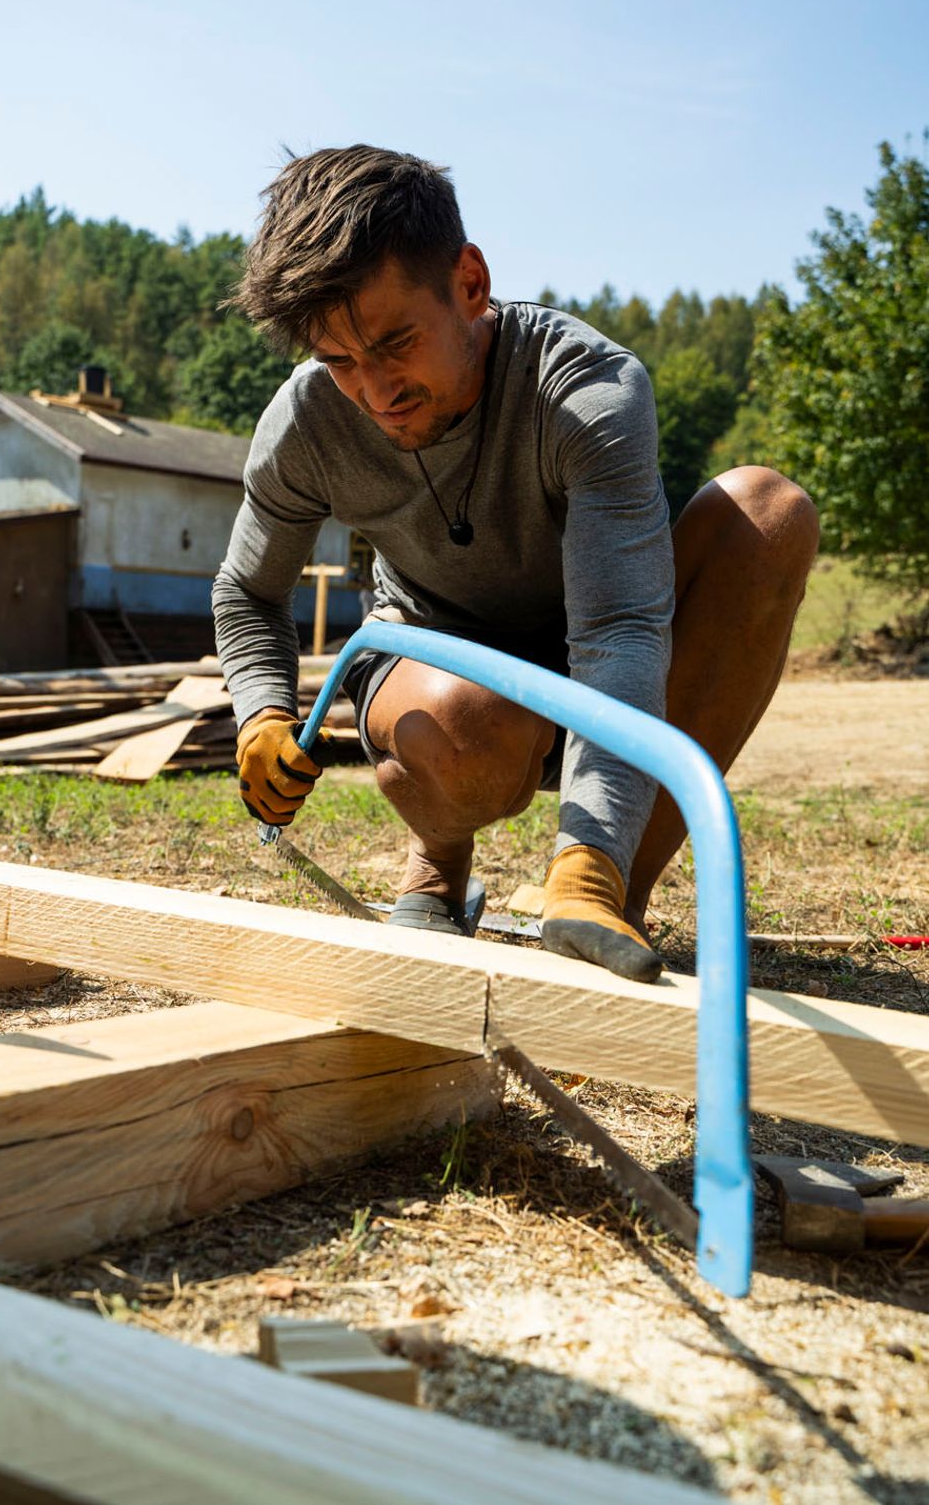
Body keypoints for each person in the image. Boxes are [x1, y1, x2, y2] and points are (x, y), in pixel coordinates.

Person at [213, 145, 818, 983]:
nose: (376, 390)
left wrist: (593, 850)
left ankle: (598, 894)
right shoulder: (307, 422)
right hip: (436, 664)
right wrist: (262, 714)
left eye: (396, 343)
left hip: (592, 650)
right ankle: (439, 854)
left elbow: (619, 630)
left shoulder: (585, 390)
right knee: (470, 724)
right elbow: (247, 589)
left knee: (769, 513)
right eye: (341, 361)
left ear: (470, 284)